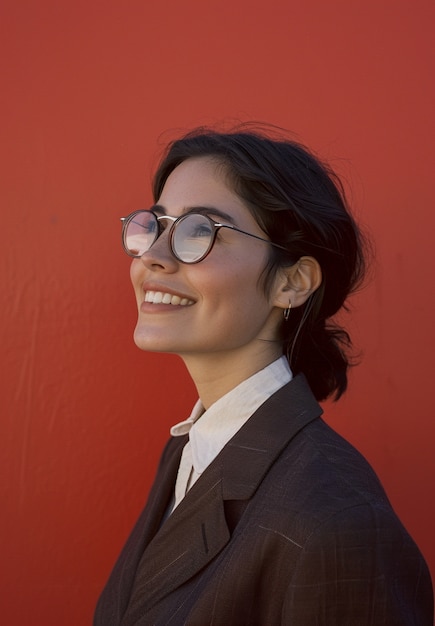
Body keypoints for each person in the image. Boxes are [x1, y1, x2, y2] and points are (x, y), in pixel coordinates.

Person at [94, 126, 433, 625]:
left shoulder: (338, 522)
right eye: (156, 225)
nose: (153, 257)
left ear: (292, 282)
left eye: (198, 232)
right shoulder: (191, 452)